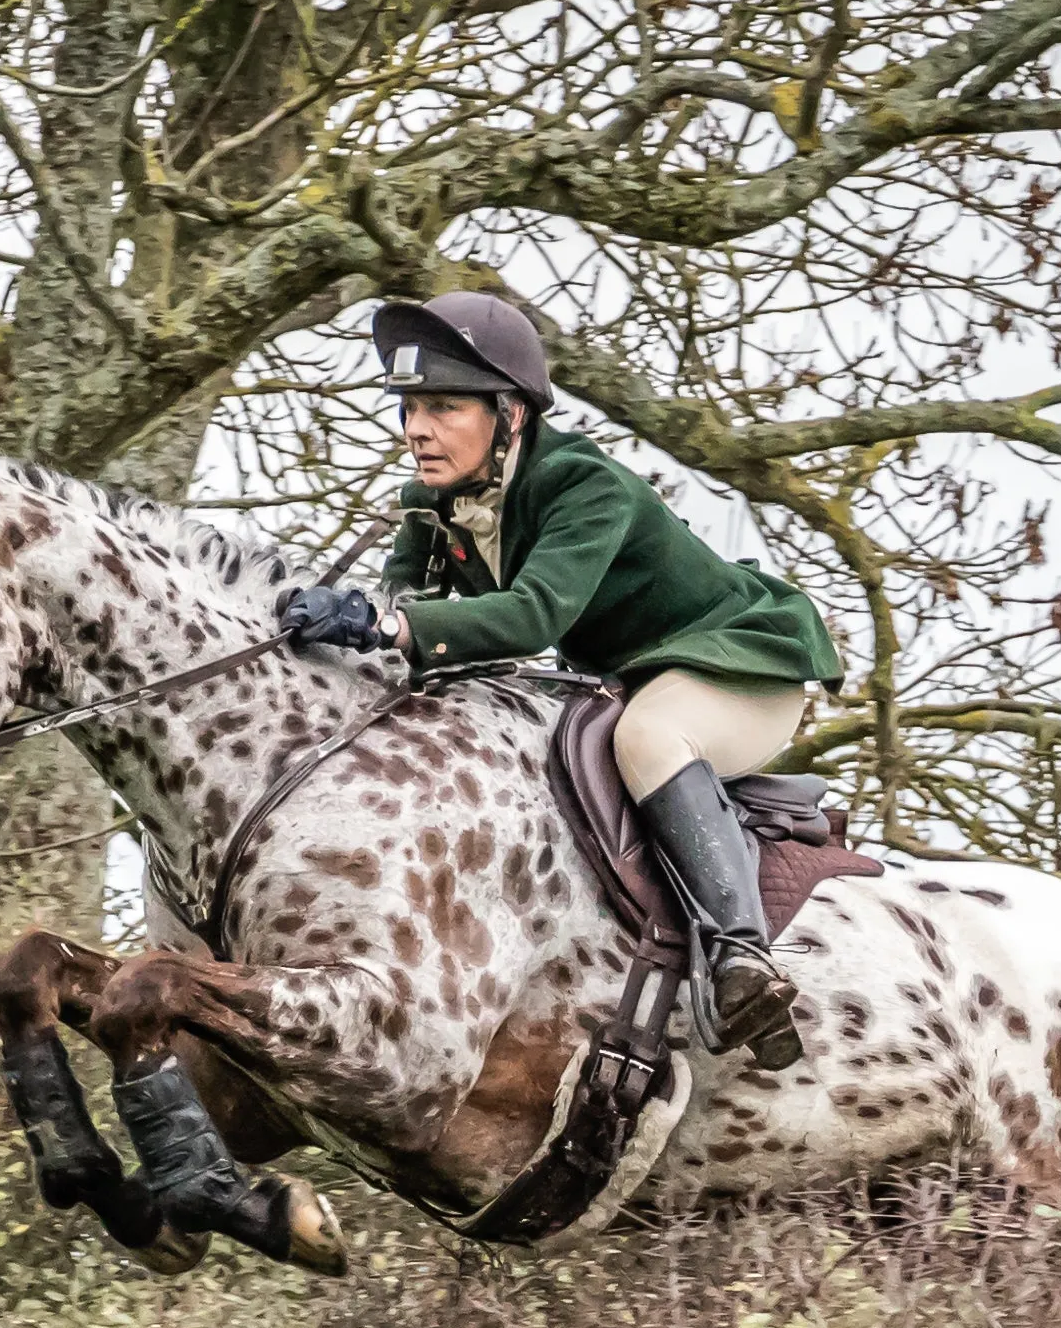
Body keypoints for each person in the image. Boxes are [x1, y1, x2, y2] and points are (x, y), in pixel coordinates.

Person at [274, 293, 843, 1072]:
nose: (417, 429)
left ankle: (742, 959)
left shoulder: (584, 486)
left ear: (509, 415)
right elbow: (406, 617)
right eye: (410, 408)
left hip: (739, 664)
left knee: (651, 735)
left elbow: (533, 617)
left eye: (443, 407)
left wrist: (390, 626)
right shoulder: (431, 505)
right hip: (627, 677)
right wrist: (342, 621)